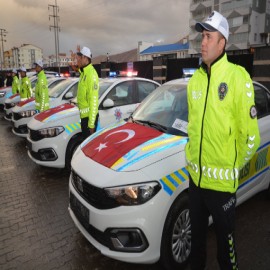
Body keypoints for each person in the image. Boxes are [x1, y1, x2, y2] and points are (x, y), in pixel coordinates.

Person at [185, 11, 260, 270]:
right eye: (201, 36)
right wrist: (190, 154)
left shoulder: (238, 78)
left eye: (208, 36)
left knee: (225, 255)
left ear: (222, 42)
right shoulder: (194, 80)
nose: (202, 42)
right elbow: (193, 128)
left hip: (222, 189)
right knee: (195, 252)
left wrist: (231, 166)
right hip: (195, 184)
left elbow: (251, 137)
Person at [76, 46, 99, 139]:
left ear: (85, 58)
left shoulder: (91, 74)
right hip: (84, 117)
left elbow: (93, 101)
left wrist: (91, 124)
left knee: (90, 148)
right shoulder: (83, 73)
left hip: (89, 119)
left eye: (80, 58)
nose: (78, 60)